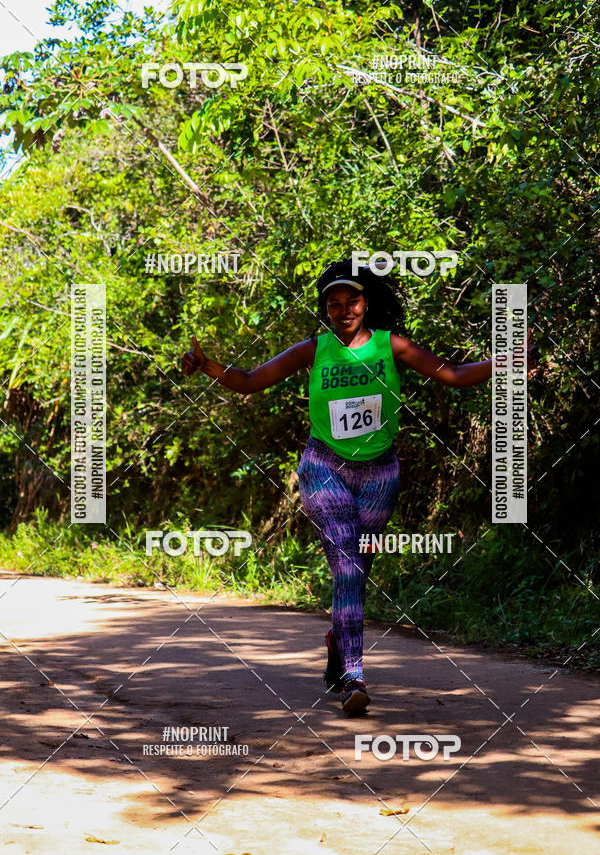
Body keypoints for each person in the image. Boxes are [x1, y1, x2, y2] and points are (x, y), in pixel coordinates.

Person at [182, 258, 536, 716]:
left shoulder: (394, 346)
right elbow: (250, 382)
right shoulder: (314, 350)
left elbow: (452, 374)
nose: (344, 310)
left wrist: (507, 362)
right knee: (347, 565)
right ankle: (353, 677)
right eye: (334, 304)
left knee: (355, 574)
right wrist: (207, 365)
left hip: (380, 474)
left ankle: (337, 638)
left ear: (366, 304)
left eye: (352, 301)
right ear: (325, 310)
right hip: (324, 467)